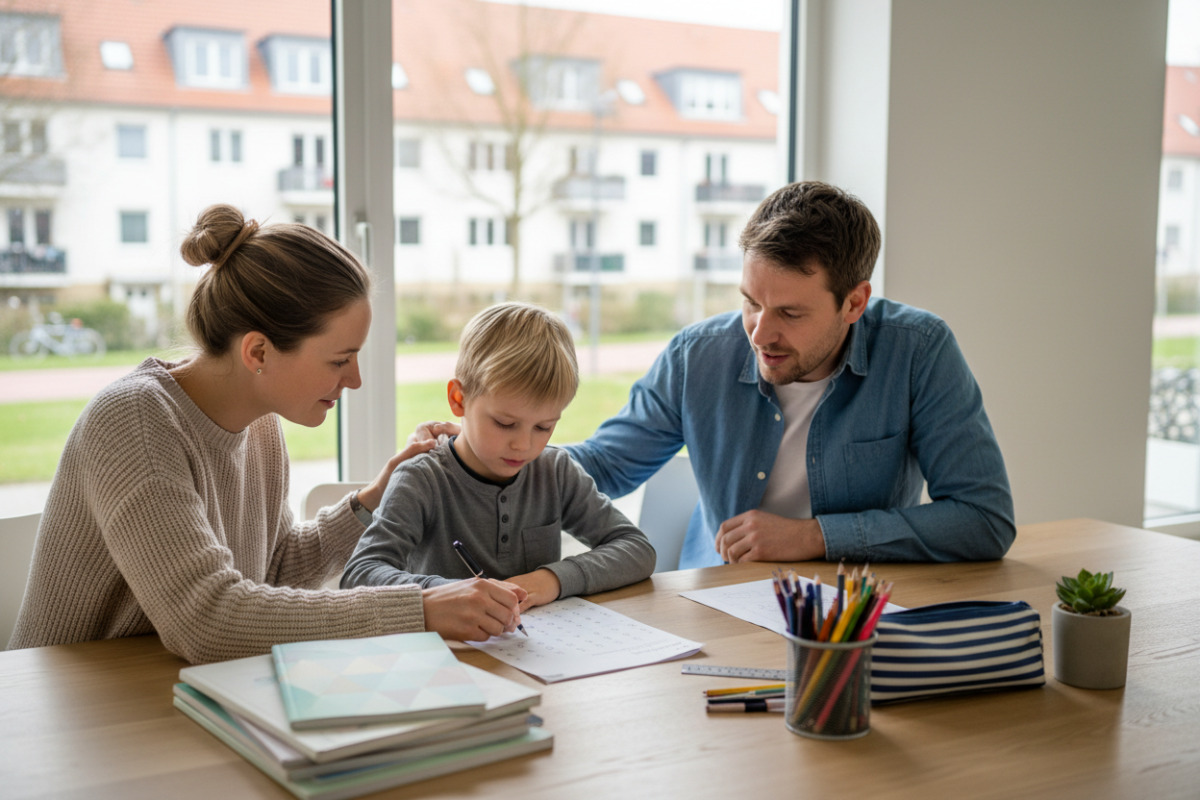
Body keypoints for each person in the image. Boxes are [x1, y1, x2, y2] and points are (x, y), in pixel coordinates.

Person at [7, 204, 526, 663]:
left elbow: (271, 569)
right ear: (258, 352)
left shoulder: (259, 429)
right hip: (59, 715)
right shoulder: (135, 422)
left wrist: (373, 497)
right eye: (340, 360)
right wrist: (421, 608)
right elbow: (207, 619)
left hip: (159, 692)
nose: (355, 380)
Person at [562, 181, 1016, 568]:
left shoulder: (918, 350)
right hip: (716, 602)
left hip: (849, 613)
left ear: (854, 303)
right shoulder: (696, 356)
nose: (760, 334)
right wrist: (501, 450)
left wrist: (813, 537)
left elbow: (984, 519)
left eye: (790, 313)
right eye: (751, 303)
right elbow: (604, 466)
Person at [340, 302, 655, 608]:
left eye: (544, 427)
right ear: (458, 398)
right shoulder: (422, 478)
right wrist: (446, 593)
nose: (524, 445)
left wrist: (550, 580)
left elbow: (636, 549)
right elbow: (360, 575)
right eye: (505, 423)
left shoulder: (556, 472)